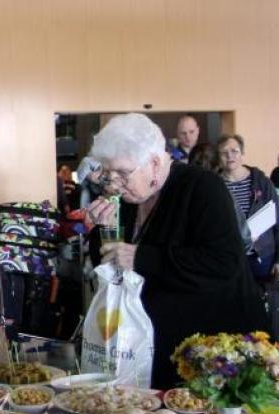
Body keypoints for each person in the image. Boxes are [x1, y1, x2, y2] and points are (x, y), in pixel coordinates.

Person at [87, 113, 268, 389]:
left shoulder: (203, 187)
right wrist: (103, 230)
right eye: (108, 174)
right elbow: (110, 262)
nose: (115, 183)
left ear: (155, 163)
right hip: (153, 347)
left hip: (213, 352)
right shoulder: (131, 196)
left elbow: (224, 262)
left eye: (122, 173)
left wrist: (142, 257)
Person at [218, 134, 279, 337]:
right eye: (224, 152)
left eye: (234, 151)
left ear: (242, 153)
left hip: (263, 259)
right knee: (234, 312)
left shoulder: (261, 182)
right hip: (231, 259)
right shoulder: (215, 185)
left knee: (263, 310)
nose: (230, 156)